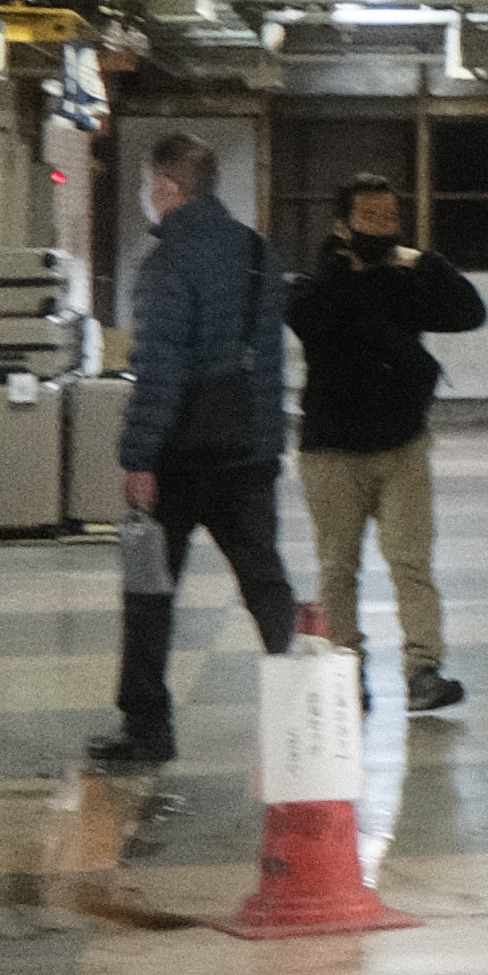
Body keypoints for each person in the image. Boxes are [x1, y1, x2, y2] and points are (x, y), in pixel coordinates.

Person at [86, 134, 309, 770]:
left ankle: (148, 730)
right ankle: (308, 713)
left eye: (147, 188)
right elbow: (267, 358)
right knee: (265, 582)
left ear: (166, 190)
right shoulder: (258, 253)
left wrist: (138, 458)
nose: (144, 199)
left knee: (149, 593)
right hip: (249, 453)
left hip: (181, 460)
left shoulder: (166, 264)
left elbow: (160, 370)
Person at [287, 173, 487, 716]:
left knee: (411, 563)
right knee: (337, 565)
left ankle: (424, 670)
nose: (380, 229)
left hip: (402, 445)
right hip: (331, 451)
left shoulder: (407, 279)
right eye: (369, 219)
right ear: (342, 224)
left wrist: (423, 262)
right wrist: (341, 267)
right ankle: (347, 668)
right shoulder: (313, 285)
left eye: (389, 219)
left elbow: (470, 313)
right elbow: (309, 320)